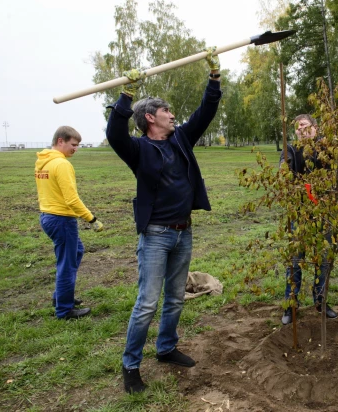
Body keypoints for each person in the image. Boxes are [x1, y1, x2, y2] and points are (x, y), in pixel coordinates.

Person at [105, 49, 222, 394]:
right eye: (166, 111)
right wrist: (126, 94)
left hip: (183, 232)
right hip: (155, 236)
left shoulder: (181, 139)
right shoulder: (139, 149)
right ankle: (130, 365)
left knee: (175, 297)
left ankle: (166, 347)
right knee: (147, 303)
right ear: (149, 119)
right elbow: (114, 133)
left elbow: (206, 112)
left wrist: (214, 77)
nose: (173, 115)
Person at [35, 126, 104, 320]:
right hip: (61, 219)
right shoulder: (61, 164)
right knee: (67, 263)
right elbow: (71, 199)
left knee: (75, 252)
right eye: (73, 145)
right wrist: (92, 219)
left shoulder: (43, 162)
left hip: (47, 217)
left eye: (78, 145)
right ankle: (64, 309)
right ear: (60, 141)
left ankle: (60, 297)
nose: (76, 149)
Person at [280, 114, 337, 325]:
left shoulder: (326, 149)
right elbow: (284, 176)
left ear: (315, 128)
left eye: (303, 125)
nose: (299, 129)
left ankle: (321, 301)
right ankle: (291, 305)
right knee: (296, 260)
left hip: (324, 212)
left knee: (323, 260)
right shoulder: (291, 150)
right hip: (300, 212)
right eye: (296, 127)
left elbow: (335, 177)